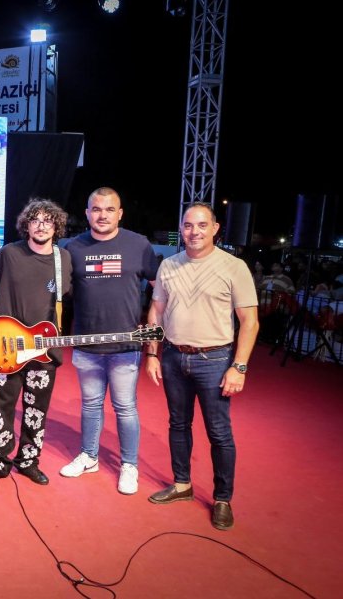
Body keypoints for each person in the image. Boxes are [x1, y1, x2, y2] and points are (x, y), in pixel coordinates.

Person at [145, 201, 259, 531]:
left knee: (219, 432)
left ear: (215, 228)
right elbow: (156, 312)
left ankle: (222, 499)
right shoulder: (169, 265)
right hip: (173, 357)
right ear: (181, 229)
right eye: (188, 225)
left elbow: (249, 321)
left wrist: (239, 367)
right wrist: (152, 354)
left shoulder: (234, 266)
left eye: (201, 225)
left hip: (215, 360)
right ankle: (182, 484)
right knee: (178, 424)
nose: (194, 232)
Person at [59, 187, 159, 495]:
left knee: (125, 407)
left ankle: (129, 464)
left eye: (109, 209)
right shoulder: (72, 248)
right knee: (90, 405)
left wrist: (154, 327)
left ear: (120, 213)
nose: (102, 215)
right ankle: (89, 456)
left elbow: (161, 289)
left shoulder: (138, 244)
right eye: (96, 209)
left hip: (125, 346)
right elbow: (59, 293)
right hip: (87, 343)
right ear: (87, 213)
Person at [0, 199, 72, 487]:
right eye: (35, 220)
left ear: (56, 226)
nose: (41, 226)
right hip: (6, 345)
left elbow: (67, 298)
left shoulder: (63, 259)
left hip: (44, 348)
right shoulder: (9, 253)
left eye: (47, 220)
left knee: (36, 410)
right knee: (1, 407)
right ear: (26, 225)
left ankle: (29, 461)